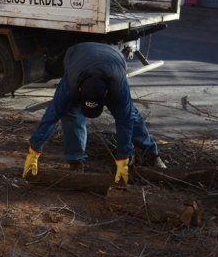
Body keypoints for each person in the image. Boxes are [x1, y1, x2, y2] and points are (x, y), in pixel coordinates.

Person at [22, 42, 165, 183]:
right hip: (77, 55)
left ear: (107, 95)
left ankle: (151, 154)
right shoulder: (70, 85)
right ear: (79, 91)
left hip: (113, 58)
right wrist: (34, 150)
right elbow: (51, 116)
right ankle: (76, 161)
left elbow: (124, 121)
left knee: (130, 114)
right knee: (70, 112)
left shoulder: (117, 88)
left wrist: (123, 156)